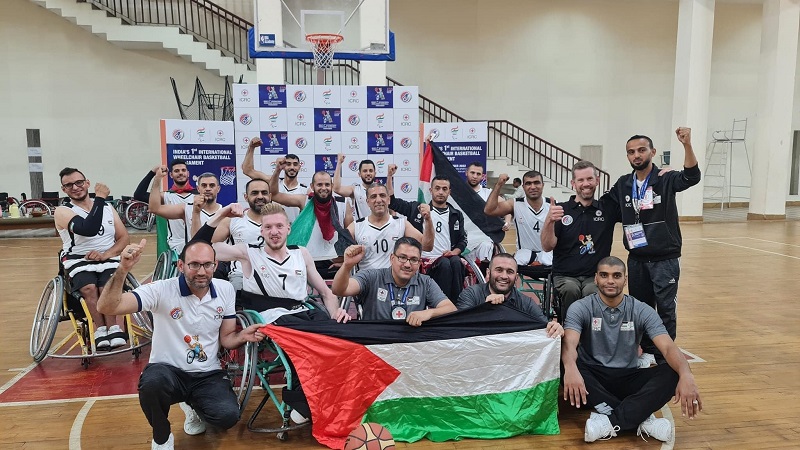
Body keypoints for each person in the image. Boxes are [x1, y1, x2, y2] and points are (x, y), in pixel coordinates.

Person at [97, 239, 264, 450]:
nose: (201, 271)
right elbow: (106, 307)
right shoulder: (161, 290)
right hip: (168, 371)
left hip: (207, 373)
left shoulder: (225, 289)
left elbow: (227, 338)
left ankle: (193, 403)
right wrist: (123, 269)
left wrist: (242, 337)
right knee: (152, 384)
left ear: (215, 265)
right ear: (181, 265)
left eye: (207, 264)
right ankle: (162, 436)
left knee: (227, 416)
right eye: (194, 264)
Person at [562, 256, 702, 443]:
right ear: (596, 278)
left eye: (616, 275)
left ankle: (611, 421)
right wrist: (570, 368)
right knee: (564, 363)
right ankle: (641, 418)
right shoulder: (581, 307)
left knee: (673, 372)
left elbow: (668, 348)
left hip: (628, 376)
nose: (610, 281)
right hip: (593, 378)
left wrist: (687, 375)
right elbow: (570, 344)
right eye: (604, 275)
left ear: (625, 280)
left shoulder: (641, 310)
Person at [605, 127, 701, 368]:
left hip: (664, 258)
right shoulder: (624, 183)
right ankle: (647, 350)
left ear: (652, 152)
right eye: (631, 152)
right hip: (637, 258)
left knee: (666, 309)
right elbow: (604, 207)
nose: (636, 155)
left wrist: (687, 145)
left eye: (641, 150)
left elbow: (692, 177)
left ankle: (665, 354)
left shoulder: (665, 178)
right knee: (641, 308)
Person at [206, 202, 349, 322]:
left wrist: (335, 314)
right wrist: (221, 214)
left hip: (303, 314)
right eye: (268, 227)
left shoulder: (301, 253)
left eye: (279, 226)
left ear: (288, 229)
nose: (274, 232)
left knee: (344, 331)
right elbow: (201, 247)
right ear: (261, 231)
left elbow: (326, 293)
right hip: (271, 319)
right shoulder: (248, 253)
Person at [55, 167, 129, 349]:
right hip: (77, 259)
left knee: (107, 286)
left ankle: (113, 327)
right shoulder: (62, 211)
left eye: (79, 182)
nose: (75, 187)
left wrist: (106, 254)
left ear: (87, 183)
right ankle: (100, 328)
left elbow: (124, 238)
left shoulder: (108, 208)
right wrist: (100, 198)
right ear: (64, 189)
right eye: (69, 185)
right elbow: (88, 229)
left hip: (108, 256)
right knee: (89, 288)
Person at [541, 161, 619, 318]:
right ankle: (570, 328)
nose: (586, 184)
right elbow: (547, 246)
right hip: (565, 275)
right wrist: (549, 221)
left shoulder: (607, 209)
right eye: (581, 180)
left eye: (590, 179)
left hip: (595, 276)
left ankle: (593, 330)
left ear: (597, 180)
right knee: (571, 289)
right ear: (573, 183)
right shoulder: (561, 210)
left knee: (592, 291)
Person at [332, 237, 457, 324]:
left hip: (410, 344)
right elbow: (339, 290)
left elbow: (451, 309)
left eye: (413, 260)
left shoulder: (426, 282)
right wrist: (347, 265)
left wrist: (428, 313)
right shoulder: (372, 276)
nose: (407, 264)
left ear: (419, 263)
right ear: (392, 258)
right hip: (376, 344)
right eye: (402, 257)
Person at [267, 157, 353, 279]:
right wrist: (277, 170)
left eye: (327, 184)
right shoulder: (305, 200)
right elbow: (274, 195)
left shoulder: (343, 203)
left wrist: (345, 263)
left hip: (334, 262)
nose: (324, 188)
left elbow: (350, 237)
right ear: (312, 186)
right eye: (319, 185)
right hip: (309, 262)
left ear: (332, 186)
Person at [388, 175, 468, 302]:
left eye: (444, 189)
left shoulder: (456, 214)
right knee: (444, 264)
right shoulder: (417, 209)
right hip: (425, 261)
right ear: (431, 190)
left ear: (449, 192)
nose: (440, 192)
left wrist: (454, 252)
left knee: (456, 261)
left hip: (448, 257)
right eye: (437, 188)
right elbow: (392, 202)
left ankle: (458, 304)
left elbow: (462, 240)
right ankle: (442, 304)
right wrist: (389, 176)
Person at [455, 253, 564, 337]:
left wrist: (555, 328)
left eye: (510, 272)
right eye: (499, 270)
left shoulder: (526, 303)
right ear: (488, 273)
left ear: (516, 277)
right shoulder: (471, 294)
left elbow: (545, 327)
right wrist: (484, 308)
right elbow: (459, 326)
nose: (504, 276)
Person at [194, 178, 271, 290]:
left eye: (264, 193)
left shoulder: (279, 221)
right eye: (254, 193)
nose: (260, 196)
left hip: (272, 275)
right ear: (246, 197)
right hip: (241, 276)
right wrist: (220, 214)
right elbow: (200, 244)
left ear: (270, 196)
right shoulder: (233, 220)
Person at [348, 184, 434, 271]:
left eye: (382, 195)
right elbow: (341, 253)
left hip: (393, 277)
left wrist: (428, 220)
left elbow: (427, 246)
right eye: (373, 196)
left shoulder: (401, 224)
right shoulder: (356, 226)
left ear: (388, 199)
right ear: (367, 202)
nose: (378, 200)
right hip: (365, 277)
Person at [485, 171, 553, 266]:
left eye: (536, 183)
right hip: (523, 254)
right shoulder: (515, 204)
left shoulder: (553, 205)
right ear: (523, 187)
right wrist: (499, 185)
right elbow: (489, 210)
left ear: (543, 185)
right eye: (528, 183)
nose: (533, 187)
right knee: (510, 266)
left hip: (548, 254)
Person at [148, 169, 222, 252]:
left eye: (212, 186)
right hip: (193, 255)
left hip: (219, 256)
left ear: (218, 189)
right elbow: (154, 208)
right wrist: (157, 179)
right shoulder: (187, 208)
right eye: (204, 185)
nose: (208, 189)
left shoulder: (224, 213)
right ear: (198, 189)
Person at [134, 159, 196, 252]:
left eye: (183, 170)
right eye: (176, 171)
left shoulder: (199, 195)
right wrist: (153, 173)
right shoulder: (166, 196)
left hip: (196, 242)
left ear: (188, 173)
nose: (180, 173)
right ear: (171, 175)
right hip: (176, 245)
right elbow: (139, 195)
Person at [241, 137, 307, 223]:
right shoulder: (272, 182)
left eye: (295, 164)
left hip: (295, 230)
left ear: (299, 167)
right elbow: (248, 170)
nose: (292, 167)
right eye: (288, 164)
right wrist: (251, 147)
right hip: (273, 228)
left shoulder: (305, 190)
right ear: (283, 166)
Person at [464, 161, 511, 260]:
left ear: (482, 176)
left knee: (487, 246)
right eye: (472, 173)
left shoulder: (488, 194)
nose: (475, 176)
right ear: (466, 173)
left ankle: (486, 269)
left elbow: (507, 209)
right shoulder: (457, 194)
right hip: (463, 238)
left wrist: (507, 222)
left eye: (478, 174)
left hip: (483, 238)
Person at [333, 153, 376, 221]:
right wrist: (339, 163)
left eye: (370, 171)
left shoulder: (381, 190)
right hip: (361, 227)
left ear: (375, 173)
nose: (368, 173)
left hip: (380, 227)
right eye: (365, 171)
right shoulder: (355, 189)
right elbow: (336, 189)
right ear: (359, 174)